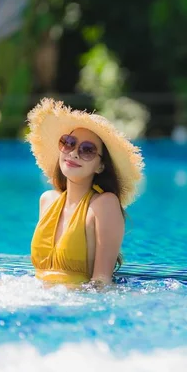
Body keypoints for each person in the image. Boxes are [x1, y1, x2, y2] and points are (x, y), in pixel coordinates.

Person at [25, 98, 144, 289]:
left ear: (100, 165)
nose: (73, 153)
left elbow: (101, 283)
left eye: (87, 150)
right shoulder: (47, 200)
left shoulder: (104, 205)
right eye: (69, 143)